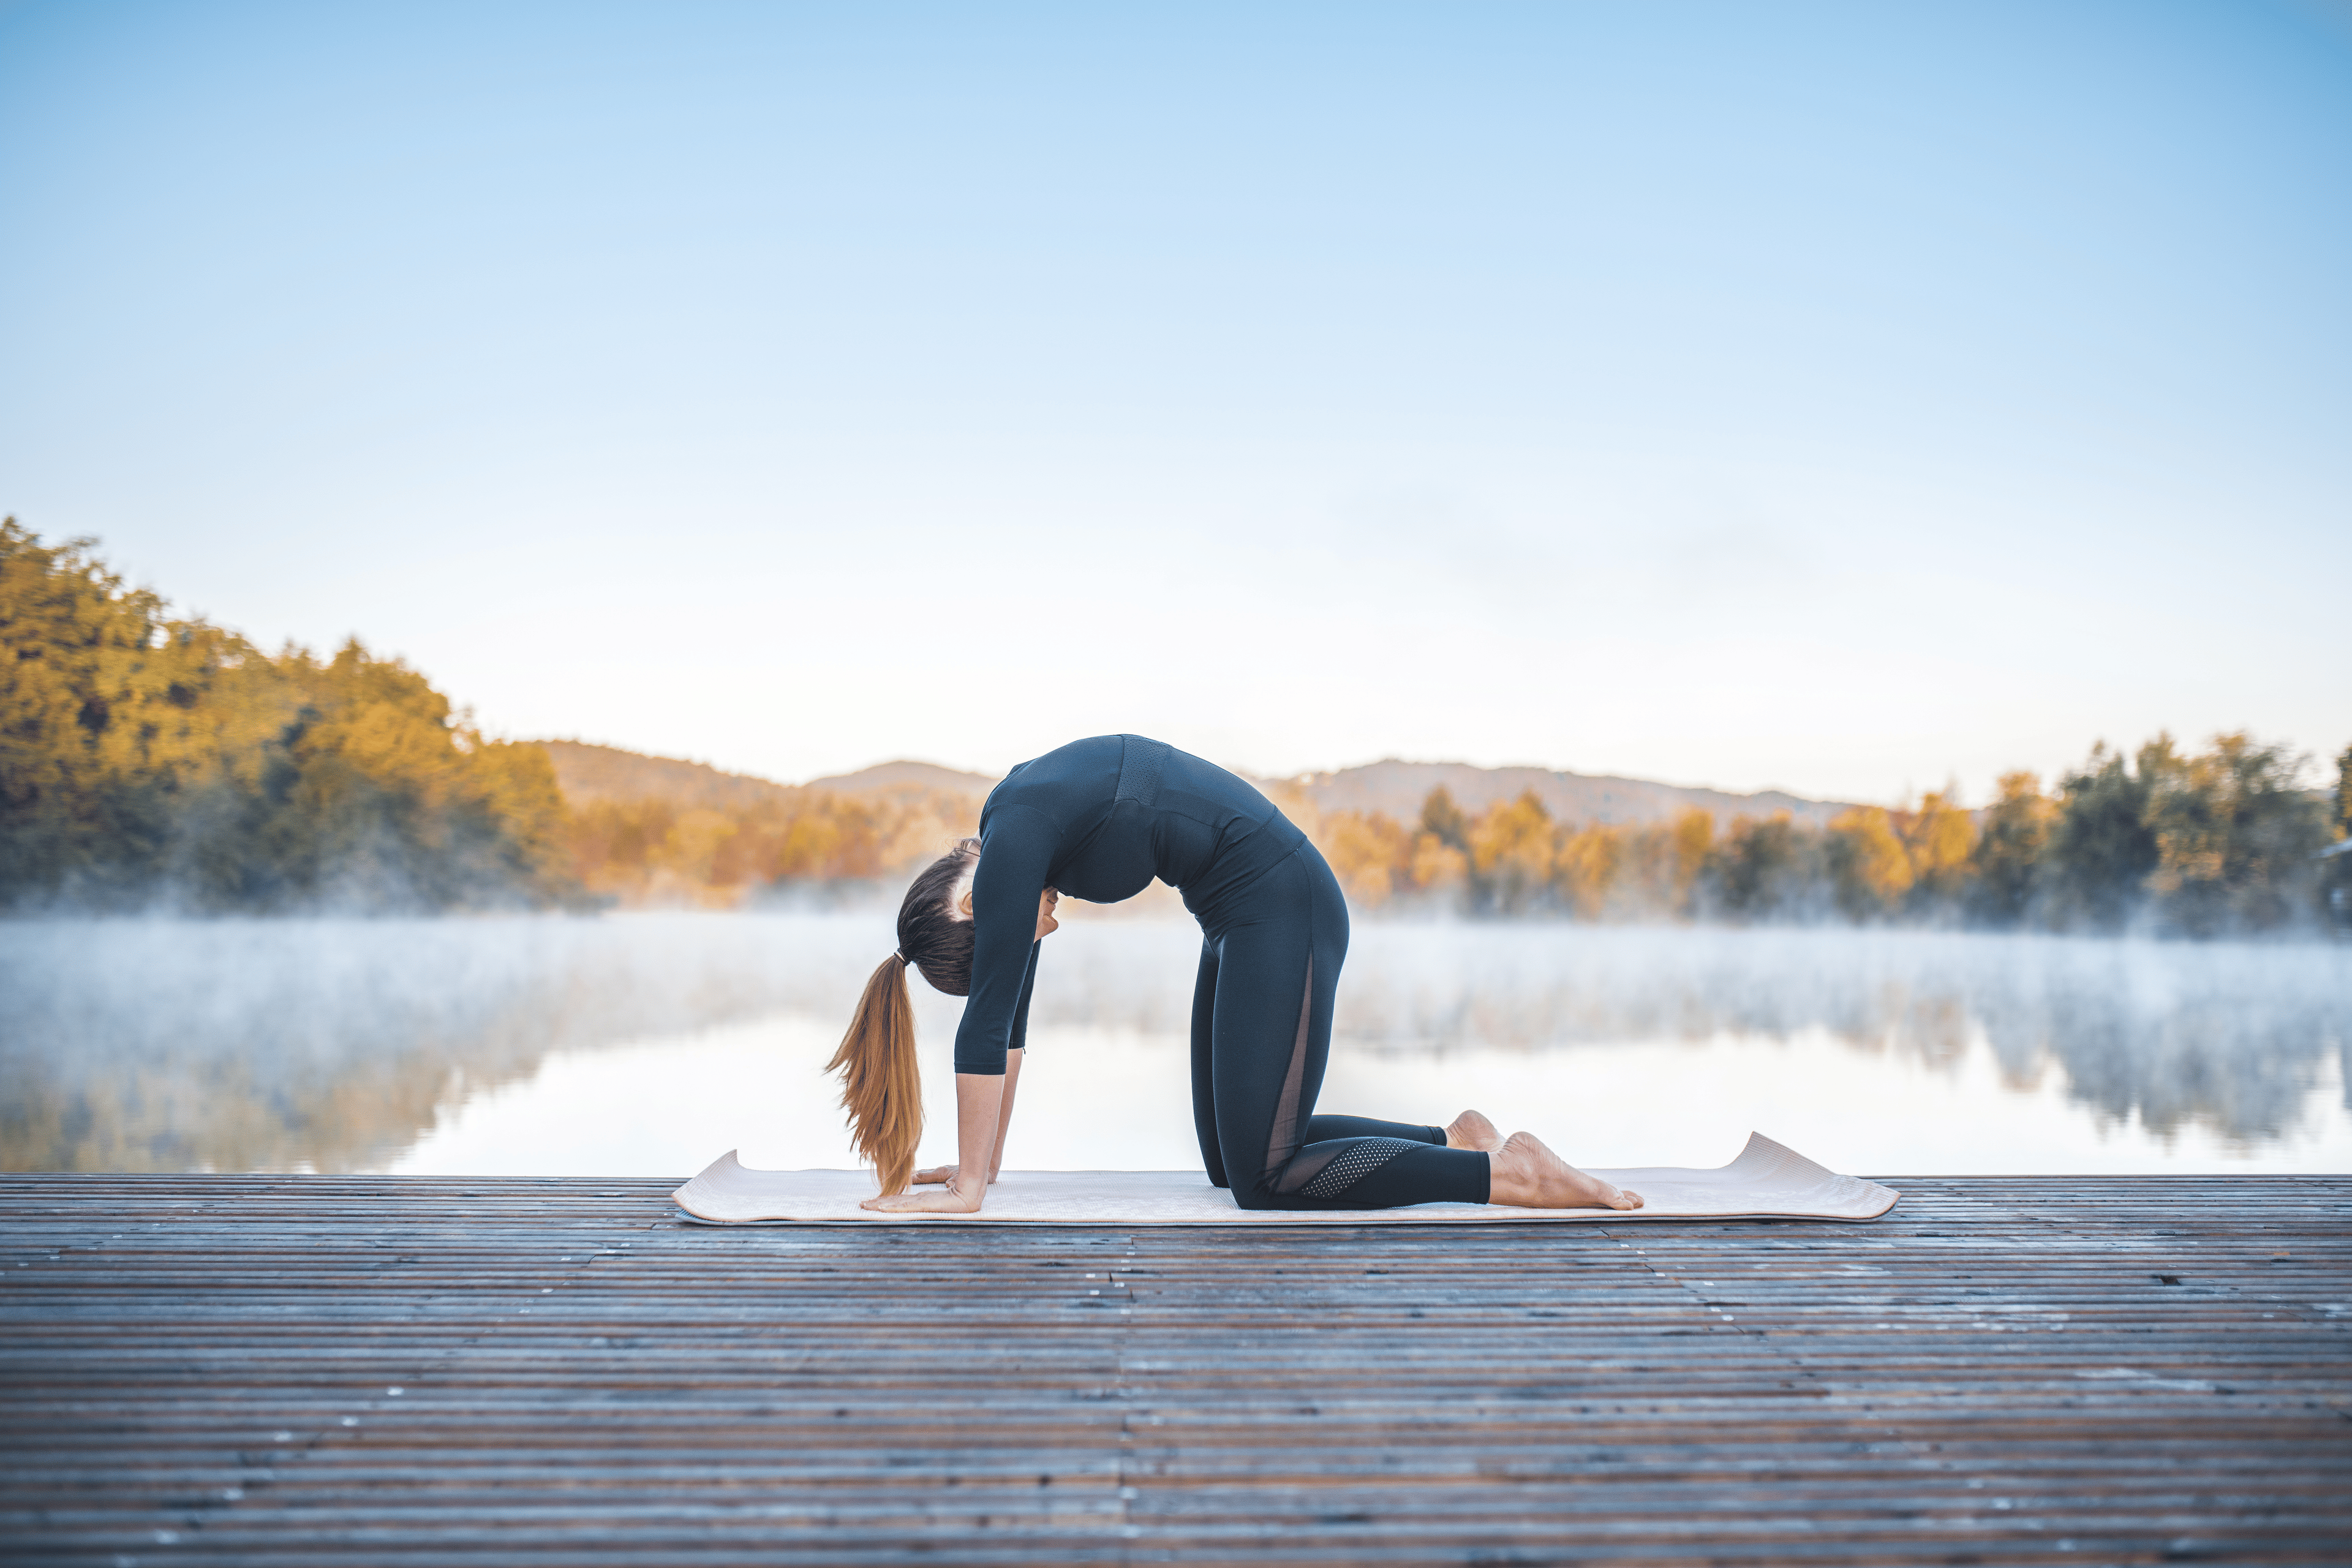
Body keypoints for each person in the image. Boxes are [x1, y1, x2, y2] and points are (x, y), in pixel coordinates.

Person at [827, 734, 1643, 1215]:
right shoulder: (1013, 836)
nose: (1048, 930)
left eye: (1019, 936)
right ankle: (1456, 1137)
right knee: (1232, 1159)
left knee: (1266, 1177)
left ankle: (1506, 1173)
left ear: (968, 912)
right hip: (1240, 920)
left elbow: (989, 1013)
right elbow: (1007, 1023)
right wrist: (984, 1169)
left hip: (1285, 905)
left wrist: (967, 1189)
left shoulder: (1010, 849)